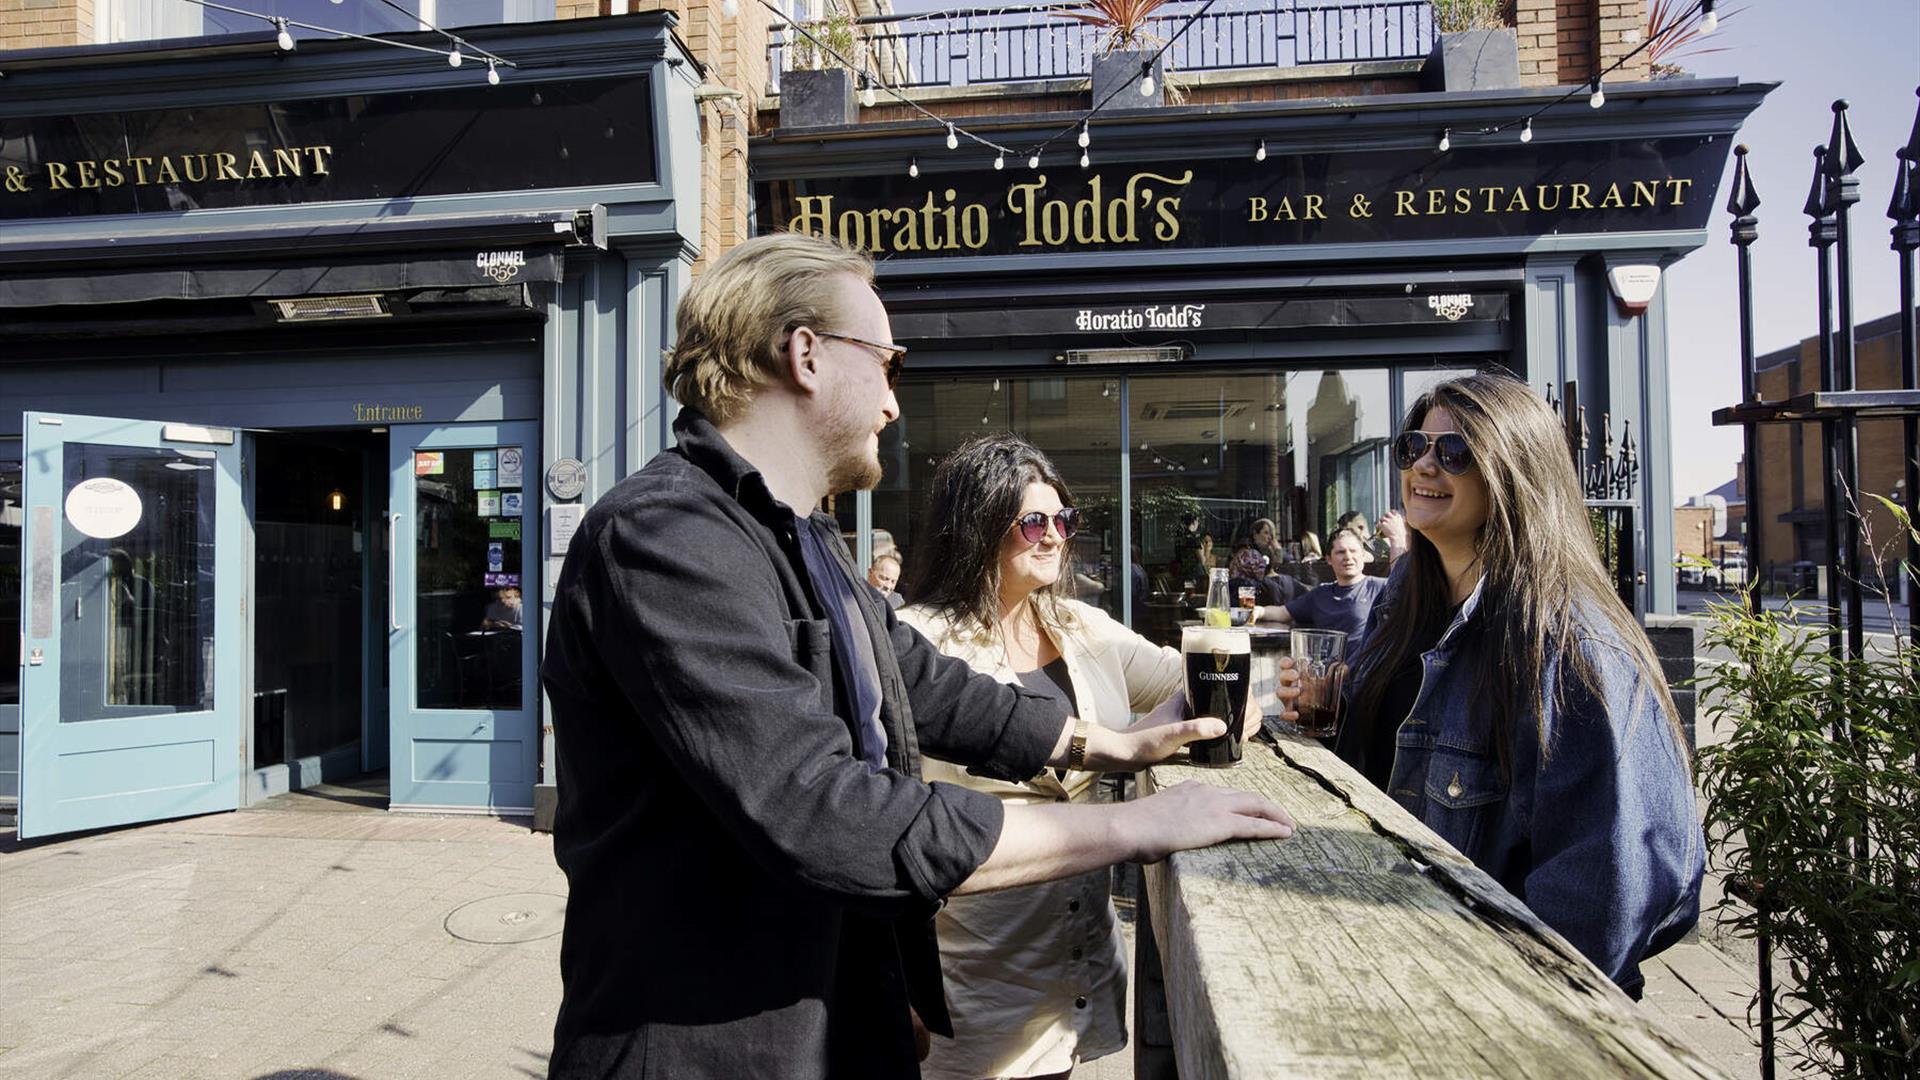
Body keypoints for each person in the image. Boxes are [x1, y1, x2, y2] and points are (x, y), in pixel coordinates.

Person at [541, 233, 1294, 1080]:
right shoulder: (667, 537)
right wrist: (1131, 824)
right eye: (888, 361)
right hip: (705, 1048)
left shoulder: (803, 539)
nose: (895, 402)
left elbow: (928, 688)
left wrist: (1104, 745)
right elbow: (824, 813)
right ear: (807, 355)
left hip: (829, 1025)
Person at [1282, 371, 1699, 998]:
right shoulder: (1404, 602)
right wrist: (1337, 712)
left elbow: (1610, 898)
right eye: (1414, 447)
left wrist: (1495, 1003)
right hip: (1388, 960)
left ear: (1513, 475)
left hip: (1490, 1003)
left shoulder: (1571, 648)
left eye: (1454, 452)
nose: (1424, 464)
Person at [897, 435, 1264, 1080]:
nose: (1053, 536)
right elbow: (878, 814)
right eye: (1032, 521)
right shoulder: (917, 642)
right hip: (972, 982)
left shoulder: (1078, 627)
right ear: (977, 526)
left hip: (1078, 968)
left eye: (1062, 519)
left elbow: (1187, 680)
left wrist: (1235, 700)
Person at [1250, 528, 1385, 656]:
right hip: (1326, 674)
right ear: (1329, 559)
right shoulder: (1320, 594)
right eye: (1340, 552)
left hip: (1367, 674)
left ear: (1363, 555)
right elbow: (1284, 612)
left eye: (1353, 551)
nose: (1348, 557)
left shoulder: (1382, 588)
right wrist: (1259, 611)